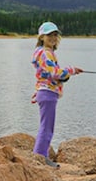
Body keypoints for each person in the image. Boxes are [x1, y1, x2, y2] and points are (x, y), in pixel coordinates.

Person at [31, 21, 82, 168]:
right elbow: (54, 73)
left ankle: (40, 156)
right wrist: (71, 70)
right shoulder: (46, 53)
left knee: (45, 126)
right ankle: (41, 157)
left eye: (55, 35)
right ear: (41, 37)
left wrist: (65, 76)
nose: (53, 38)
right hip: (48, 94)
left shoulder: (42, 52)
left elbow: (45, 75)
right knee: (47, 128)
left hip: (45, 93)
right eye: (49, 35)